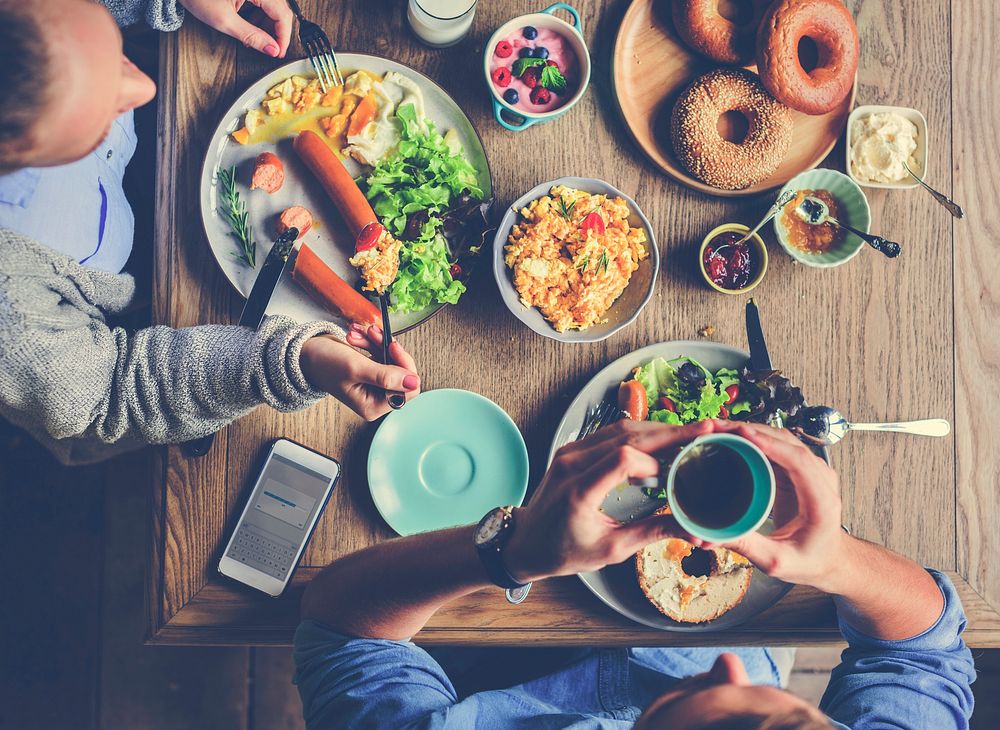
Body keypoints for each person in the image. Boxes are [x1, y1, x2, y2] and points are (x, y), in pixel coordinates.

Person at [294, 420, 976, 729]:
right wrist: (838, 562)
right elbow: (926, 659)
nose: (728, 669)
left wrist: (511, 554)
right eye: (801, 713)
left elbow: (336, 630)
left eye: (676, 708)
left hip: (478, 649)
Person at [0, 0, 418, 464]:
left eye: (118, 56)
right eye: (101, 100)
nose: (145, 86)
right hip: (126, 316)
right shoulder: (11, 317)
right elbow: (112, 398)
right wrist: (296, 362)